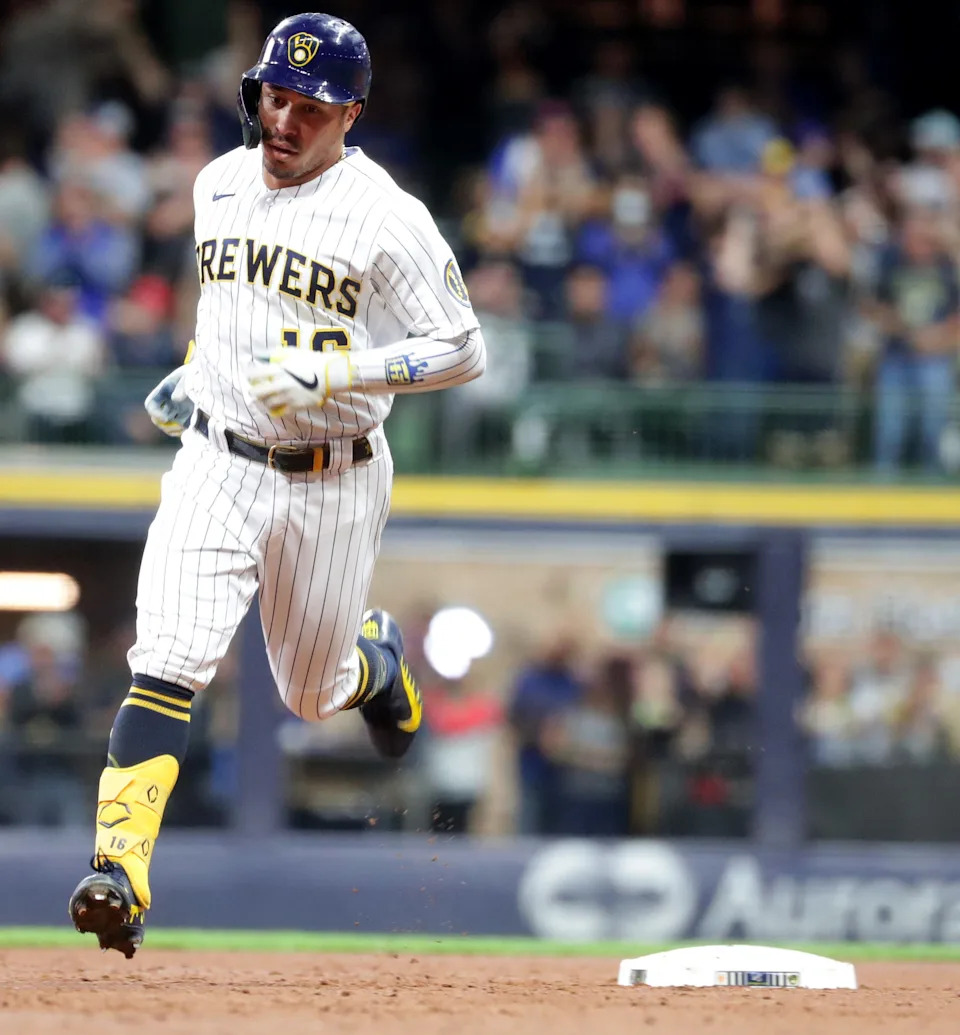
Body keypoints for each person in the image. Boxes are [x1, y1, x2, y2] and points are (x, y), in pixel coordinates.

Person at [67, 12, 485, 958]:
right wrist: (198, 370)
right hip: (217, 458)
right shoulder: (219, 182)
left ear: (354, 116)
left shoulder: (388, 216)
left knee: (308, 692)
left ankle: (373, 662)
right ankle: (118, 871)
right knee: (167, 655)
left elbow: (465, 349)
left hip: (333, 478)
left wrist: (348, 375)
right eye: (276, 98)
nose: (286, 120)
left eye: (312, 107)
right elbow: (229, 307)